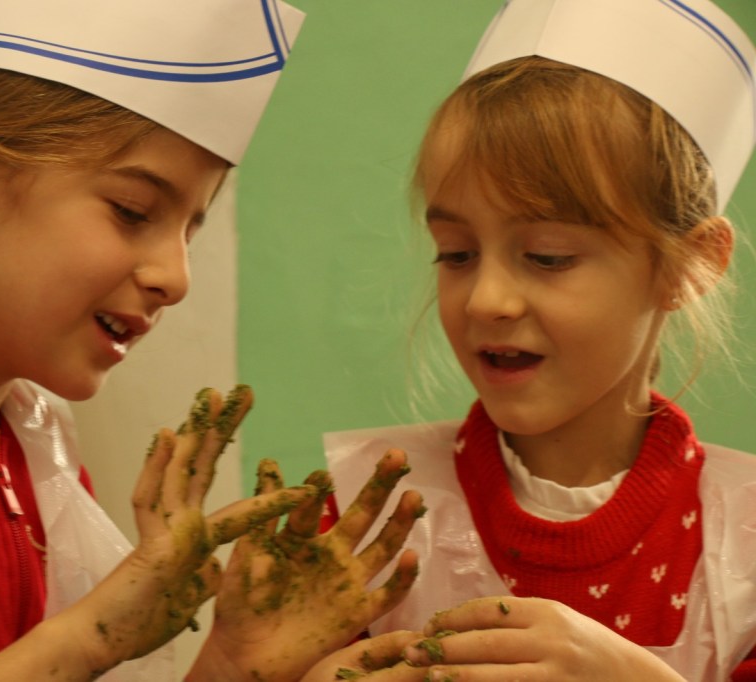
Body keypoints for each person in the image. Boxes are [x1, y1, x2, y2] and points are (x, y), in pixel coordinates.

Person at [0, 0, 425, 680]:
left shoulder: (33, 454)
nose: (174, 278)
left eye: (190, 230)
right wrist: (89, 638)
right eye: (133, 211)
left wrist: (230, 667)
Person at [323, 0, 756, 680]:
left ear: (690, 266)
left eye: (548, 256)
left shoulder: (744, 550)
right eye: (457, 253)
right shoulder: (365, 519)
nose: (487, 300)